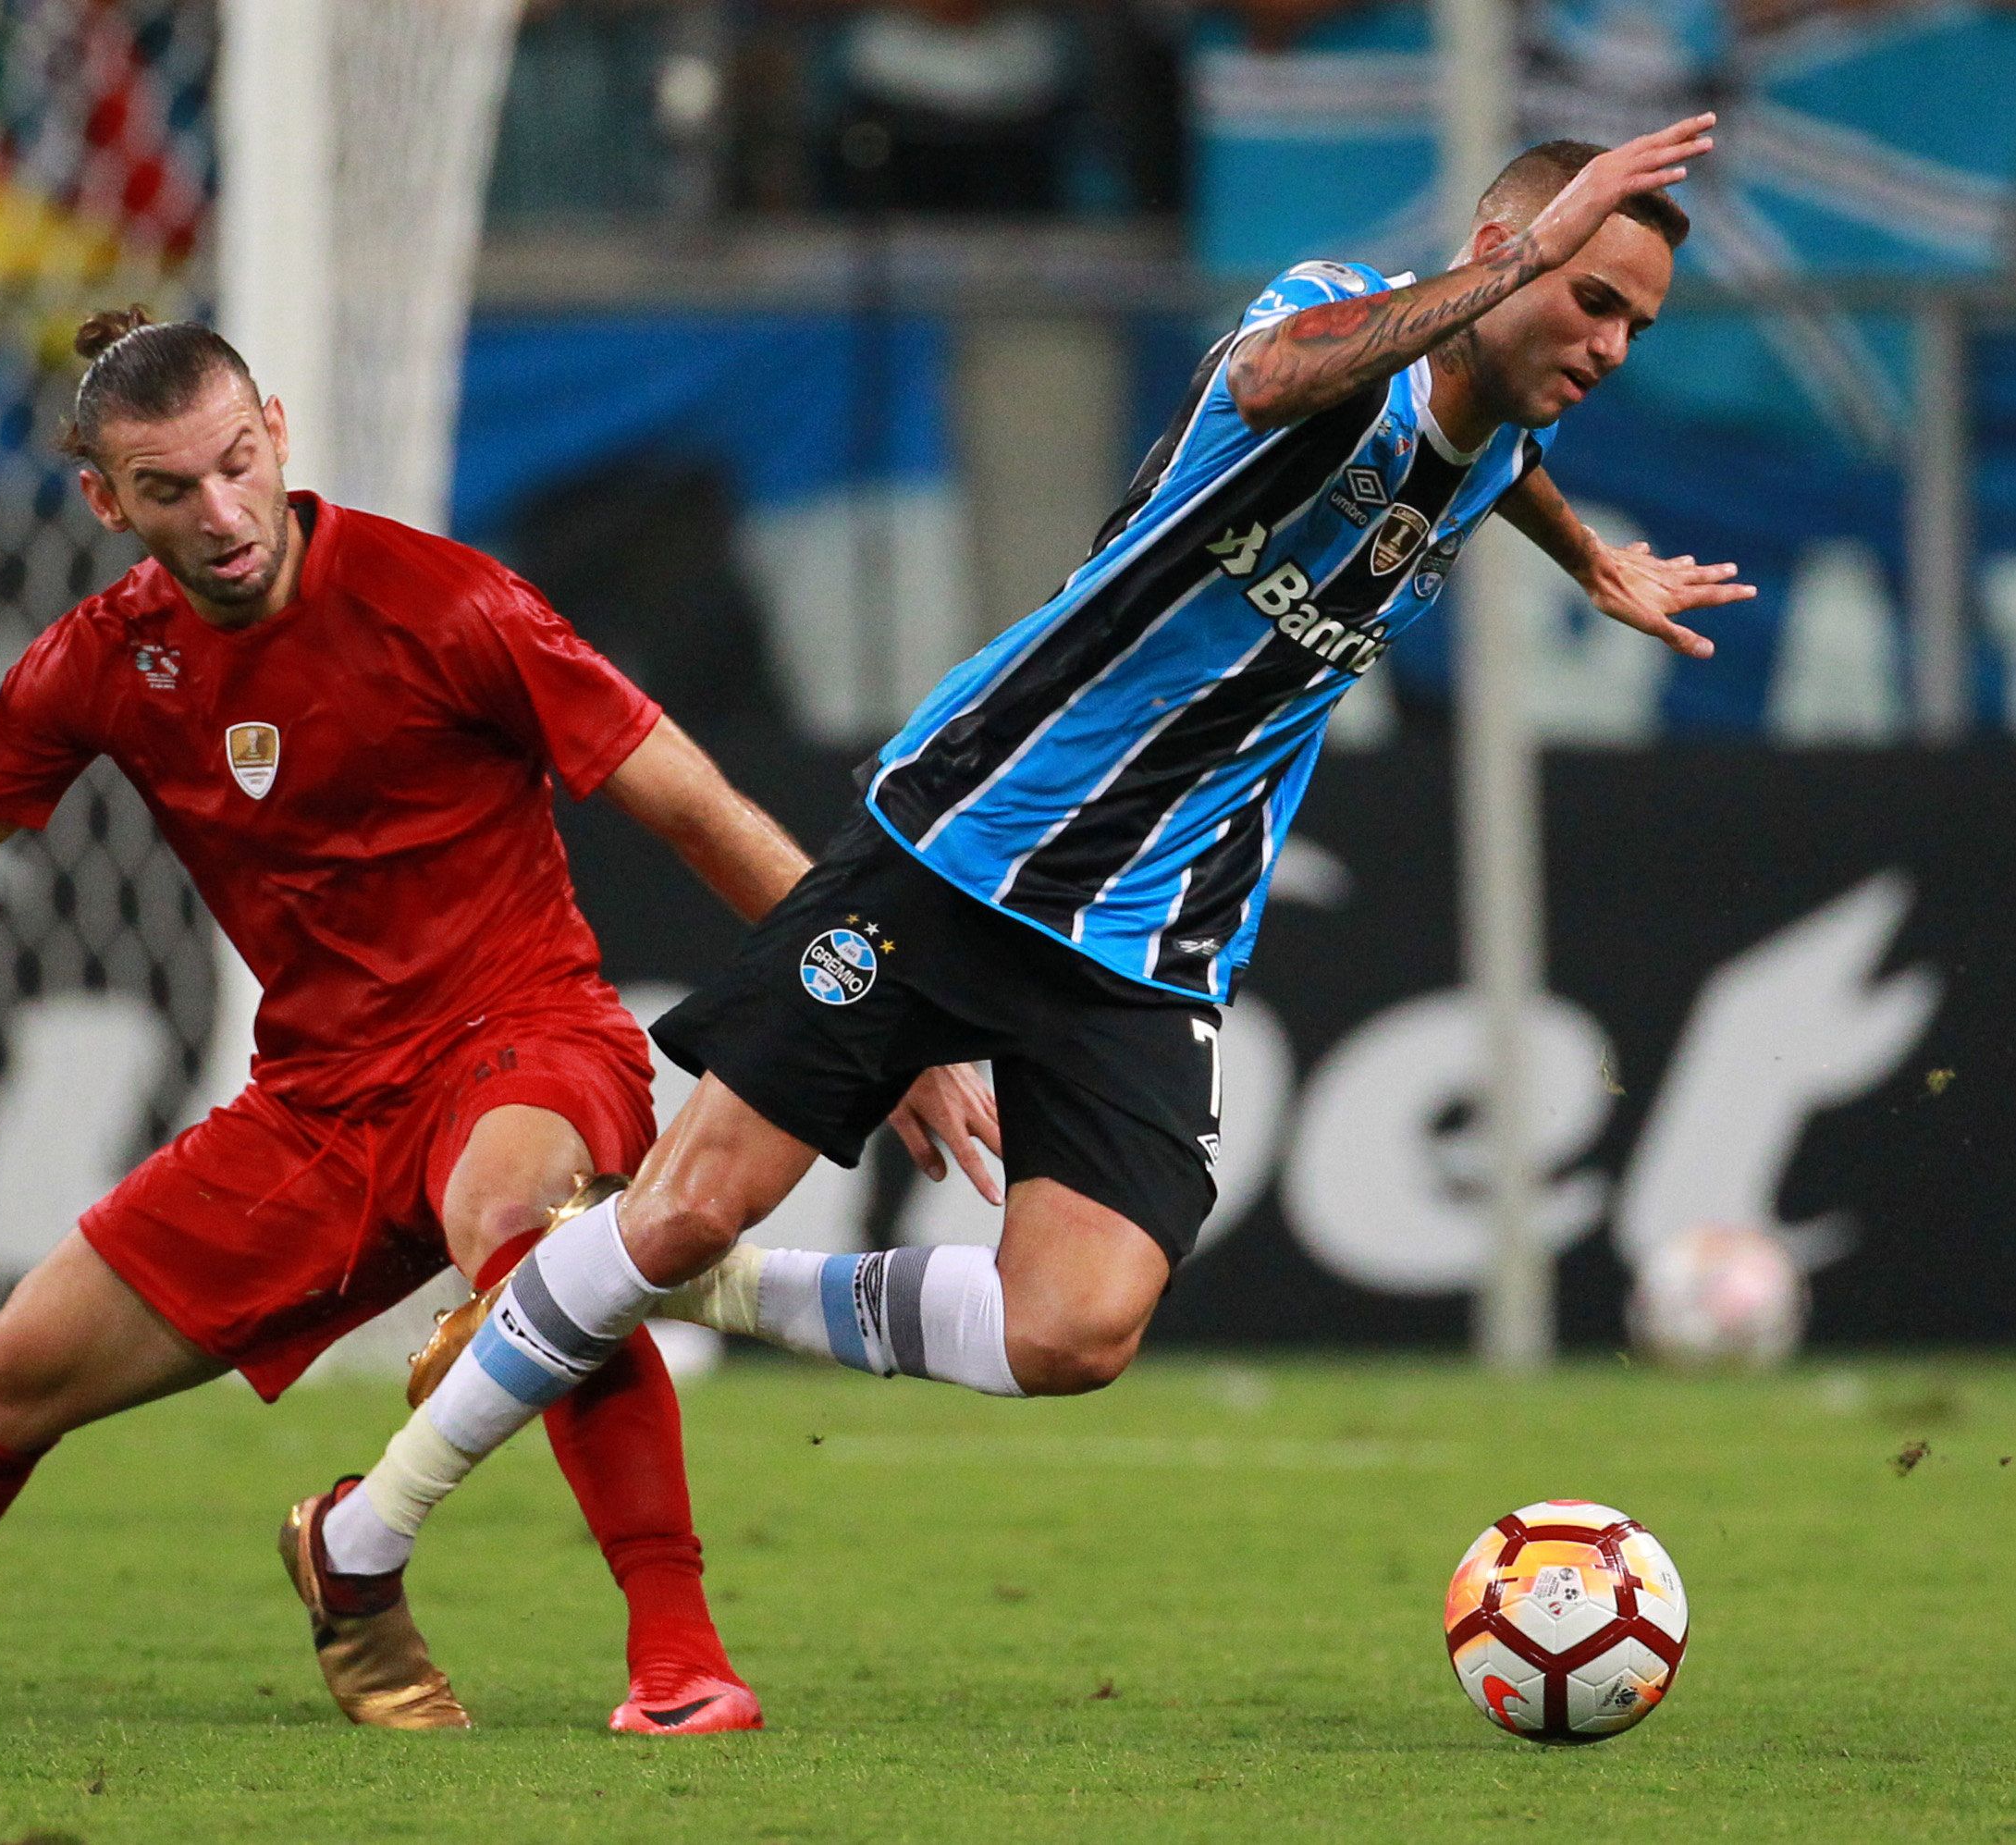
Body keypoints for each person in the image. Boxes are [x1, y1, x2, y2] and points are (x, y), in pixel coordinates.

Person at [0, 310, 997, 1735]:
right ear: (108, 501)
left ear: (277, 433)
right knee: (0, 1374)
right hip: (313, 1105)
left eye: (238, 466)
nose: (222, 517)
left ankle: (677, 1657)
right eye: (170, 490)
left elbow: (697, 809)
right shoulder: (100, 664)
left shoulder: (452, 604)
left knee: (528, 1226)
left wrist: (876, 1023)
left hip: (518, 1035)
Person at [292, 120, 1757, 1681]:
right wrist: (1527, 261)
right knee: (689, 1198)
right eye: (1588, 298)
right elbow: (1278, 383)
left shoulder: (1494, 438)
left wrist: (1588, 560)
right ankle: (363, 1536)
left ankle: (679, 1280)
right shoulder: (1328, 320)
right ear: (1496, 254)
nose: (1608, 346)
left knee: (1072, 1330)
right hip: (967, 842)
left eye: (1633, 325)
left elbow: (1488, 461)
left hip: (1153, 932)